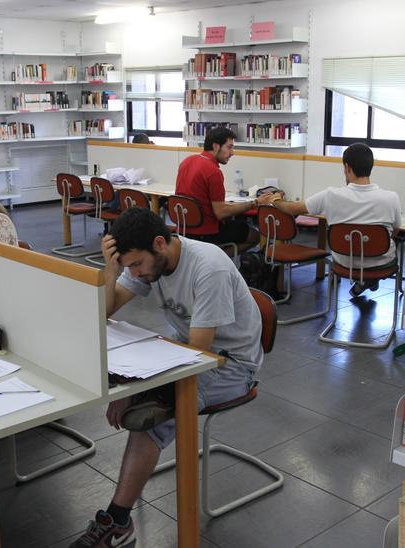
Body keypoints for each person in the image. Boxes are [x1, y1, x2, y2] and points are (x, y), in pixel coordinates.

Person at [69, 208, 263, 548]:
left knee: (151, 416)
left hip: (230, 365)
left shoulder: (208, 267)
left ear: (160, 243)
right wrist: (111, 272)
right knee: (144, 401)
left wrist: (135, 389)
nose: (136, 273)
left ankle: (117, 520)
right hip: (189, 352)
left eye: (137, 265)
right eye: (129, 266)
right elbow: (103, 312)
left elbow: (198, 358)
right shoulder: (147, 263)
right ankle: (121, 511)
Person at [264, 143, 401, 298]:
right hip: (381, 263)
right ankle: (368, 281)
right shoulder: (391, 198)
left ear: (347, 168)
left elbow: (293, 209)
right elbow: (394, 231)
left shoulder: (330, 195)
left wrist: (275, 201)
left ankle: (361, 283)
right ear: (371, 167)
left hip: (344, 262)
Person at [174, 126, 276, 252]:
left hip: (184, 229)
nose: (232, 153)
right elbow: (220, 212)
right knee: (254, 235)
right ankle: (217, 259)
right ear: (216, 146)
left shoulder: (187, 161)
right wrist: (255, 203)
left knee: (236, 224)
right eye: (229, 147)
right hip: (206, 232)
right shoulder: (213, 172)